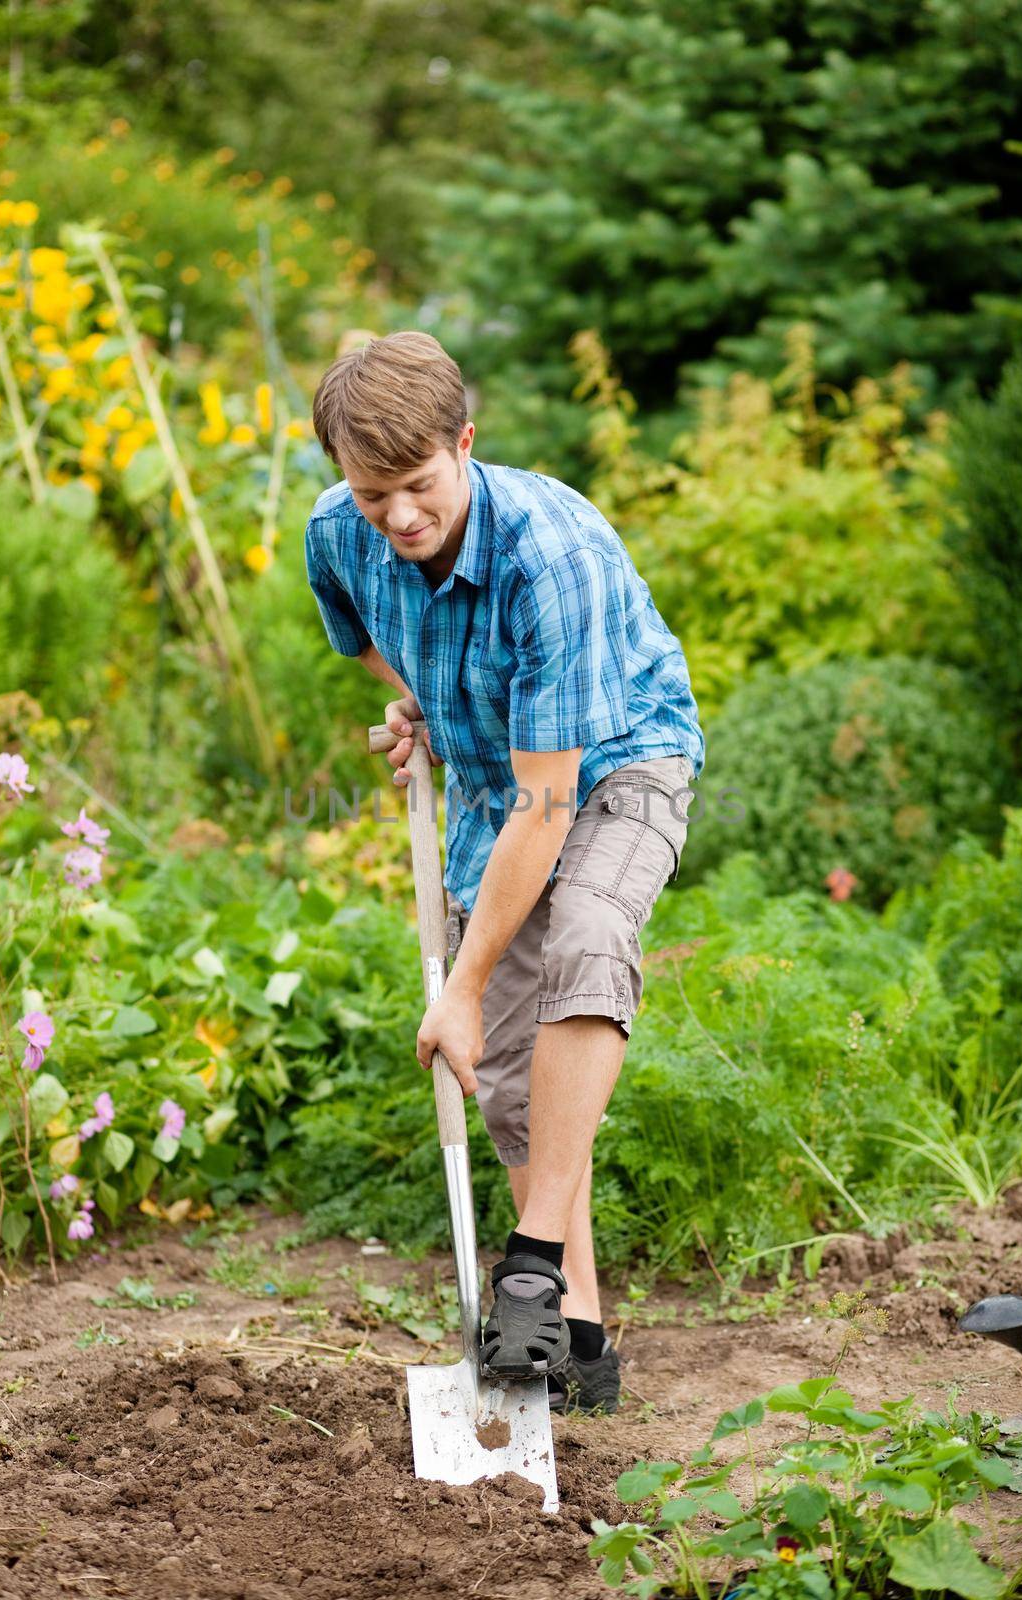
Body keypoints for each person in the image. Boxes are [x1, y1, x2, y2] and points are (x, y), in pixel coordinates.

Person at [305, 331, 704, 1413]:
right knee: (515, 1089)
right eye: (371, 490)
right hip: (494, 772)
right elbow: (373, 642)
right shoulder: (337, 536)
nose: (397, 516)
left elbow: (552, 800)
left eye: (419, 486)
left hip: (623, 760)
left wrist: (461, 988)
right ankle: (576, 1333)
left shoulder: (549, 552)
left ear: (465, 444)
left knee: (584, 940)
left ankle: (525, 1262)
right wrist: (425, 703)